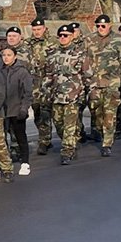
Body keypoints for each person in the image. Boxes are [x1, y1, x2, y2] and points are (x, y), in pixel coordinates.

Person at [0, 46, 31, 181]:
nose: (6, 57)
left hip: (16, 109)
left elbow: (27, 93)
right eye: (4, 55)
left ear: (15, 56)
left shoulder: (22, 72)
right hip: (2, 110)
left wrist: (24, 109)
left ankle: (25, 162)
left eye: (9, 55)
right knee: (0, 139)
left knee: (20, 136)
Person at [46, 25, 91, 164]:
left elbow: (87, 75)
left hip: (73, 96)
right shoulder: (53, 54)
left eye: (66, 35)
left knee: (69, 125)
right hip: (57, 95)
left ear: (72, 36)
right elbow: (48, 75)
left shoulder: (80, 54)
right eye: (60, 35)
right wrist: (46, 91)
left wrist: (86, 92)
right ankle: (72, 140)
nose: (63, 38)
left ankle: (67, 151)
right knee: (58, 123)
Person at [85, 15, 121, 156]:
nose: (100, 28)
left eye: (103, 25)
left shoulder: (118, 39)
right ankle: (101, 132)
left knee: (109, 114)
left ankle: (107, 143)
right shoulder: (89, 39)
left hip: (112, 83)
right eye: (98, 26)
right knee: (96, 112)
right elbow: (84, 59)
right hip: (95, 83)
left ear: (109, 25)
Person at [24, 19, 55, 156]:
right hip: (32, 83)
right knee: (37, 110)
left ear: (44, 28)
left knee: (47, 111)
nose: (36, 32)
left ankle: (46, 139)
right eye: (34, 29)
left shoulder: (53, 42)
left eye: (39, 29)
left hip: (48, 81)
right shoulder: (27, 44)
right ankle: (44, 138)